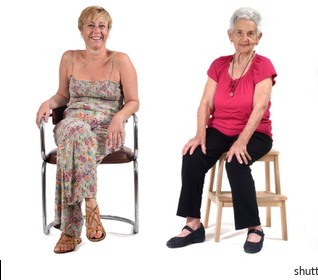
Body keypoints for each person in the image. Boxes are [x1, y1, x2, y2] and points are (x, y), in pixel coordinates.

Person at [166, 7, 277, 254]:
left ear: (259, 37)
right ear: (230, 35)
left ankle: (254, 227)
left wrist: (240, 142)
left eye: (250, 33)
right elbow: (205, 103)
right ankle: (193, 225)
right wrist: (200, 134)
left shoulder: (263, 65)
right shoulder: (218, 64)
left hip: (255, 131)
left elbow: (259, 108)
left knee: (235, 162)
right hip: (220, 128)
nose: (244, 38)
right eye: (239, 32)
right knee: (192, 156)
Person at [34, 6, 140, 254]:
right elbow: (63, 95)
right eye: (91, 25)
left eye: (102, 26)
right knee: (77, 132)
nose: (96, 31)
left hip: (107, 128)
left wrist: (120, 117)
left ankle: (70, 232)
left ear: (108, 31)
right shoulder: (69, 58)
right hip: (72, 123)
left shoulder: (121, 60)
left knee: (74, 148)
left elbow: (134, 101)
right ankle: (91, 204)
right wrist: (47, 103)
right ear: (81, 30)